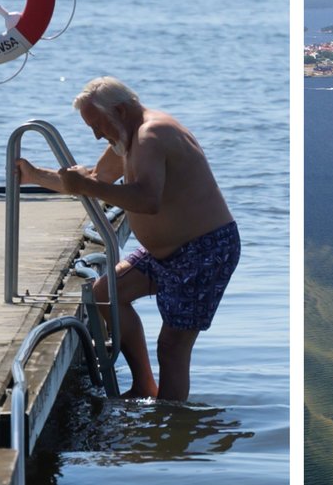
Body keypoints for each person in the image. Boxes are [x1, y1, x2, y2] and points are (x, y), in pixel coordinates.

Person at [15, 77, 238, 400]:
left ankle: (169, 429)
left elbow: (147, 200)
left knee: (172, 346)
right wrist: (33, 174)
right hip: (163, 253)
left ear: (119, 110)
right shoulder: (126, 139)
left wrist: (87, 186)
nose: (95, 134)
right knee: (106, 292)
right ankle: (144, 386)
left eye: (98, 124)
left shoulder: (152, 134)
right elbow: (94, 179)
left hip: (204, 250)